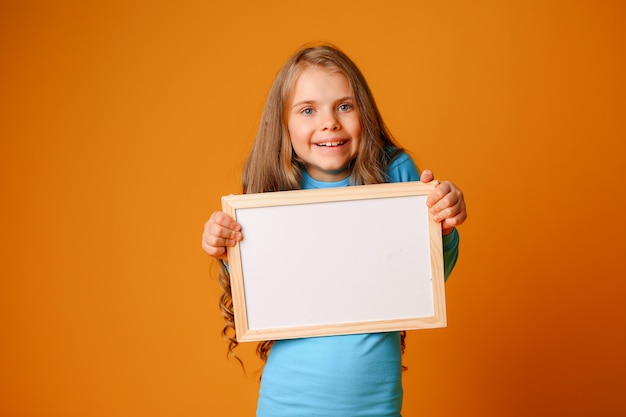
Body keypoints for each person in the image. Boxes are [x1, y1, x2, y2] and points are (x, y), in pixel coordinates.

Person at [201, 42, 467, 417]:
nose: (329, 122)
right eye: (308, 110)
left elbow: (430, 276)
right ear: (284, 126)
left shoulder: (394, 175)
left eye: (344, 106)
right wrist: (225, 248)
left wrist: (444, 224)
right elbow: (260, 294)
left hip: (376, 404)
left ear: (365, 114)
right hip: (287, 402)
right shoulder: (274, 192)